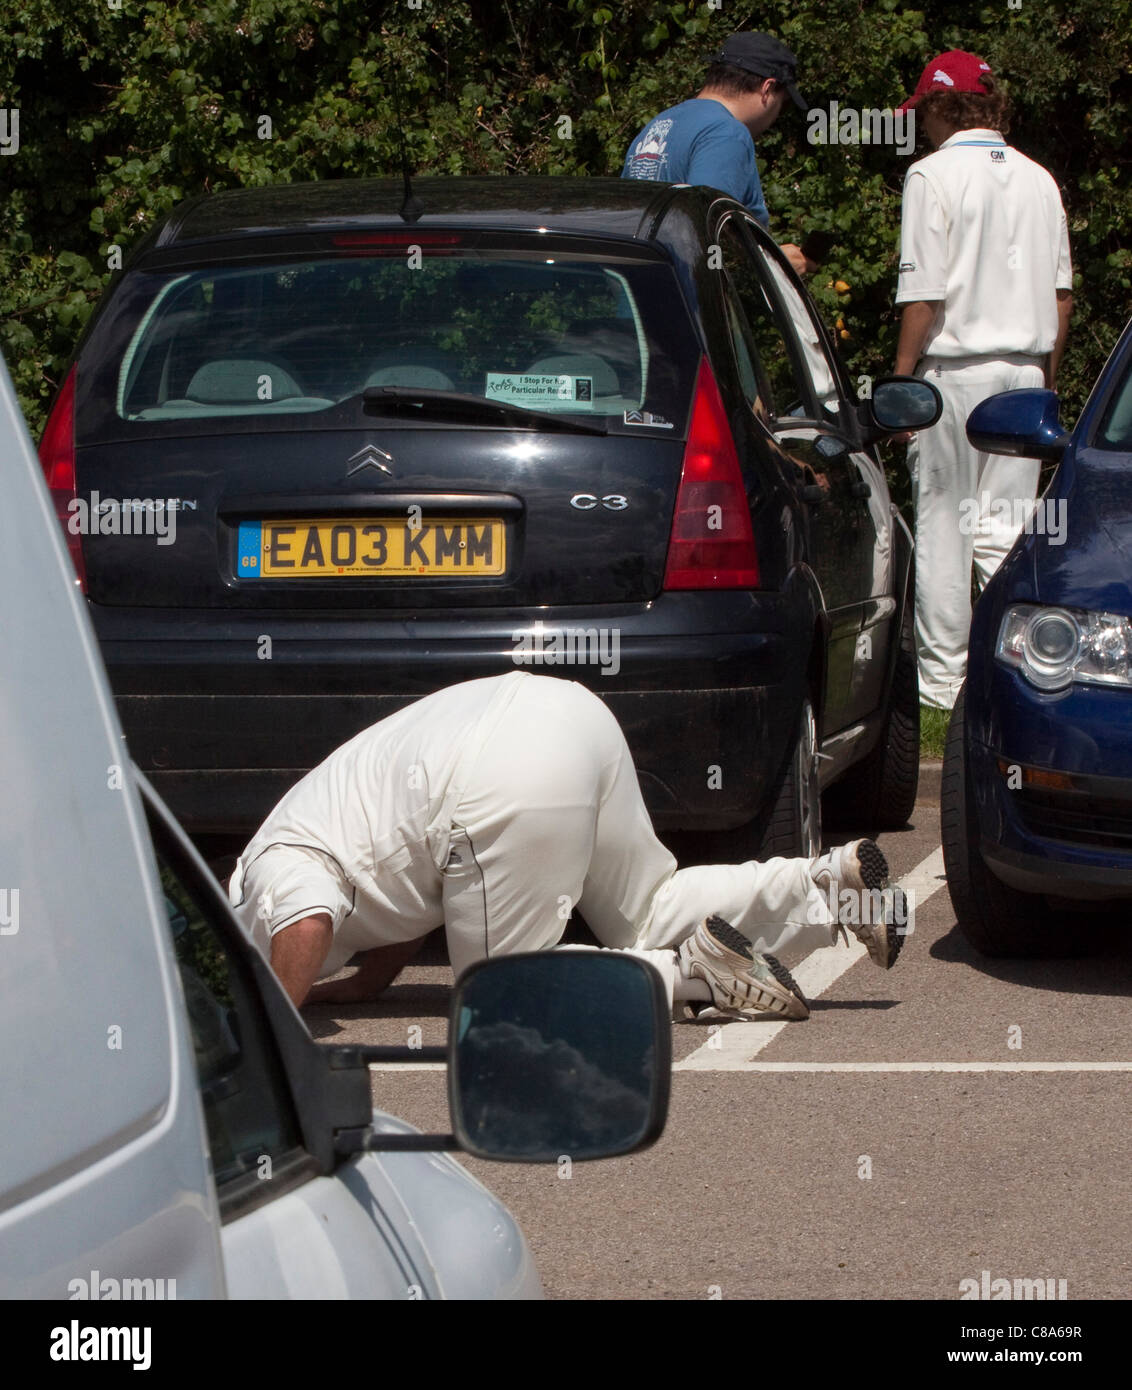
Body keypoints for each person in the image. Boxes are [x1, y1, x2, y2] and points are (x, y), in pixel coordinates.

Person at [228, 671, 906, 1022]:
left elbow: (306, 919)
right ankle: (826, 882)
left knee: (497, 1000)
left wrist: (272, 1034)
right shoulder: (320, 821)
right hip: (565, 714)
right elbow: (399, 882)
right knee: (648, 904)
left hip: (498, 775)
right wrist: (368, 984)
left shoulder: (262, 873)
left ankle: (695, 977)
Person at [892, 50, 1073, 710]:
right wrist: (1044, 378)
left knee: (945, 527)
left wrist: (901, 384)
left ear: (943, 106)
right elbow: (1061, 297)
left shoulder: (931, 177)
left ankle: (944, 688)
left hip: (955, 372)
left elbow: (923, 297)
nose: (921, 129)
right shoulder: (1040, 178)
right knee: (1006, 529)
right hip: (1024, 372)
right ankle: (1013, 676)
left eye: (924, 113)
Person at [621, 32, 814, 276]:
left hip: (642, 298)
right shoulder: (727, 134)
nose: (777, 116)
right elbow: (707, 242)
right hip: (687, 307)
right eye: (782, 104)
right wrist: (776, 262)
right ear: (768, 88)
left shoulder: (660, 124)